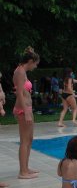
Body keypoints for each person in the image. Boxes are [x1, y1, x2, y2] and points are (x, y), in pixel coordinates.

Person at [13, 46, 40, 179]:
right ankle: (22, 172)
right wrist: (26, 112)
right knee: (24, 140)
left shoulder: (23, 71)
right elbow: (19, 93)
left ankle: (26, 168)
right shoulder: (19, 72)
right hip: (22, 110)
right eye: (35, 63)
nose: (35, 66)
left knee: (29, 139)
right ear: (30, 61)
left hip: (27, 109)